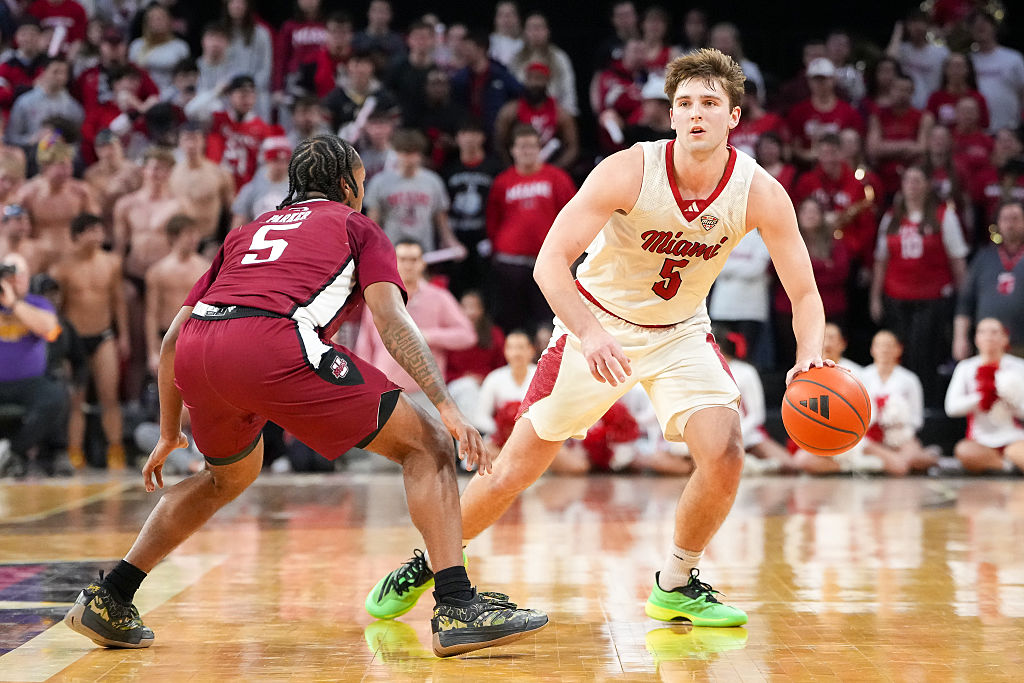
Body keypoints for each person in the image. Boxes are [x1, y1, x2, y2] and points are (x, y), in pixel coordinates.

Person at [366, 48, 830, 628]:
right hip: (596, 326)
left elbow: (806, 295)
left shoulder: (759, 191)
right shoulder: (628, 170)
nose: (696, 114)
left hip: (679, 332)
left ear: (734, 117)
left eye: (710, 103)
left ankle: (677, 582)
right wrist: (589, 334)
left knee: (727, 451)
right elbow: (550, 263)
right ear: (670, 112)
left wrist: (810, 356)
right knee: (512, 473)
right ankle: (426, 563)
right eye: (684, 103)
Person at [62, 134, 546, 655]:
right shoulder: (356, 226)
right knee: (426, 443)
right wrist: (447, 408)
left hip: (200, 351)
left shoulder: (245, 233)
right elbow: (392, 322)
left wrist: (167, 432)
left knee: (226, 476)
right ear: (346, 187)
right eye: (360, 183)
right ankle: (456, 605)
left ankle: (112, 595)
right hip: (273, 341)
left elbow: (172, 338)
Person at [870, 165, 968, 403]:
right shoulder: (891, 217)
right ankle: (895, 402)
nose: (912, 186)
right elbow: (881, 261)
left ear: (927, 186)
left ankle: (925, 405)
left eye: (917, 181)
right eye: (908, 181)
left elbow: (957, 261)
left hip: (931, 298)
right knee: (898, 352)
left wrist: (965, 302)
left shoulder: (944, 215)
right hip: (896, 296)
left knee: (923, 353)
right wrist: (875, 297)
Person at [355, 237, 475, 412]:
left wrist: (427, 336)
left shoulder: (439, 297)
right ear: (393, 261)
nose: (408, 265)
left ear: (422, 263)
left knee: (432, 440)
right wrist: (365, 384)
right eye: (402, 259)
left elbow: (468, 335)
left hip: (427, 393)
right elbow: (365, 345)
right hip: (386, 389)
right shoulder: (378, 297)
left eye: (413, 260)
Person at [52, 214, 128, 470]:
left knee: (110, 396)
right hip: (75, 339)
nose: (97, 235)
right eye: (90, 231)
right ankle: (75, 451)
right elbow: (58, 310)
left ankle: (115, 449)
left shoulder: (111, 263)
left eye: (99, 229)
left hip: (104, 335)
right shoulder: (62, 269)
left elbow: (118, 301)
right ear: (77, 236)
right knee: (76, 400)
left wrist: (124, 336)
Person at [487, 124, 576, 333]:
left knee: (548, 321)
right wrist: (495, 250)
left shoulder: (557, 178)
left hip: (548, 262)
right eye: (522, 147)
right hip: (510, 262)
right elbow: (493, 219)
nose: (526, 151)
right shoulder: (502, 182)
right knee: (510, 319)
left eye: (531, 146)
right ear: (512, 150)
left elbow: (573, 216)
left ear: (539, 149)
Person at [0, 253, 65, 477]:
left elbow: (49, 330)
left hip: (29, 383)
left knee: (55, 397)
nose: (13, 280)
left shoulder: (38, 303)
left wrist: (14, 304)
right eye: (8, 275)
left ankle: (14, 452)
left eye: (18, 275)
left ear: (27, 277)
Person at [945, 317, 1024, 473]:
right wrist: (983, 396)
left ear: (1004, 338)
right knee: (964, 451)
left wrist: (1008, 400)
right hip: (980, 440)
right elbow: (951, 408)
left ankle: (1011, 460)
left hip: (1014, 437)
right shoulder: (965, 367)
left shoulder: (1019, 366)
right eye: (982, 332)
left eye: (994, 332)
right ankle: (1005, 466)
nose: (989, 336)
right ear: (976, 339)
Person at [363, 129, 458, 254]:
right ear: (396, 153)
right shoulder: (380, 182)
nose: (409, 159)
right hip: (391, 250)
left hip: (424, 250)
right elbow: (373, 222)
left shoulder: (433, 181)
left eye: (413, 153)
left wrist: (451, 242)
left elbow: (441, 219)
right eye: (404, 153)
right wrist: (371, 249)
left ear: (420, 155)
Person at [15, 136, 99, 271]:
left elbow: (94, 226)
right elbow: (17, 231)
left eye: (69, 165)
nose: (67, 171)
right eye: (61, 165)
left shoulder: (81, 192)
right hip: (40, 258)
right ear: (45, 166)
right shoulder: (28, 194)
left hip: (72, 256)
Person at [441, 119, 504, 297]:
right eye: (464, 134)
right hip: (457, 237)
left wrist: (494, 238)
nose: (469, 139)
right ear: (457, 138)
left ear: (482, 137)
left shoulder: (494, 167)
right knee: (456, 287)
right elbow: (442, 210)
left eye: (474, 133)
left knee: (487, 287)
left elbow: (501, 206)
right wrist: (448, 240)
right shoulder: (449, 169)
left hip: (484, 237)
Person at [954, 201, 1024, 359]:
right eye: (1005, 219)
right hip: (987, 345)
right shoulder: (984, 257)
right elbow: (965, 302)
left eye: (1015, 218)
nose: (1010, 224)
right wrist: (960, 338)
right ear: (998, 223)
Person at [143, 214, 209, 376]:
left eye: (196, 233)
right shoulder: (157, 271)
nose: (194, 238)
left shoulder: (206, 268)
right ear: (174, 237)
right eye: (188, 234)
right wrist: (152, 350)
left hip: (198, 336)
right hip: (168, 335)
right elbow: (152, 313)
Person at [493, 62, 578, 169]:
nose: (533, 83)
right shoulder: (510, 111)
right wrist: (512, 169)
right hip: (517, 167)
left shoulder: (561, 114)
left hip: (550, 166)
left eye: (538, 78)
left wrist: (553, 170)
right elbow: (500, 144)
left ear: (547, 81)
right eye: (530, 78)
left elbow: (572, 148)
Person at [169, 123, 236, 246]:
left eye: (195, 139)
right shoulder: (171, 174)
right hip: (178, 241)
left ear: (204, 142)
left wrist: (228, 243)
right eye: (186, 139)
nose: (191, 145)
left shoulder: (219, 173)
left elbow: (233, 211)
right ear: (179, 143)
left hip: (209, 240)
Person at [968, 12, 1024, 133]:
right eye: (975, 25)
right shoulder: (968, 61)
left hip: (1010, 129)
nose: (980, 27)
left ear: (994, 28)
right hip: (977, 132)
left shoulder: (1013, 58)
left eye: (985, 24)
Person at [230, 137, 291, 228]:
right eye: (275, 161)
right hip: (258, 235)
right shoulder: (251, 188)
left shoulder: (297, 190)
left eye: (284, 162)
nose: (280, 166)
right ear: (267, 161)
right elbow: (239, 222)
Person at [0, 204, 43, 275]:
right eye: (18, 219)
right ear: (4, 224)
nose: (24, 225)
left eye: (27, 220)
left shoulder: (37, 251)